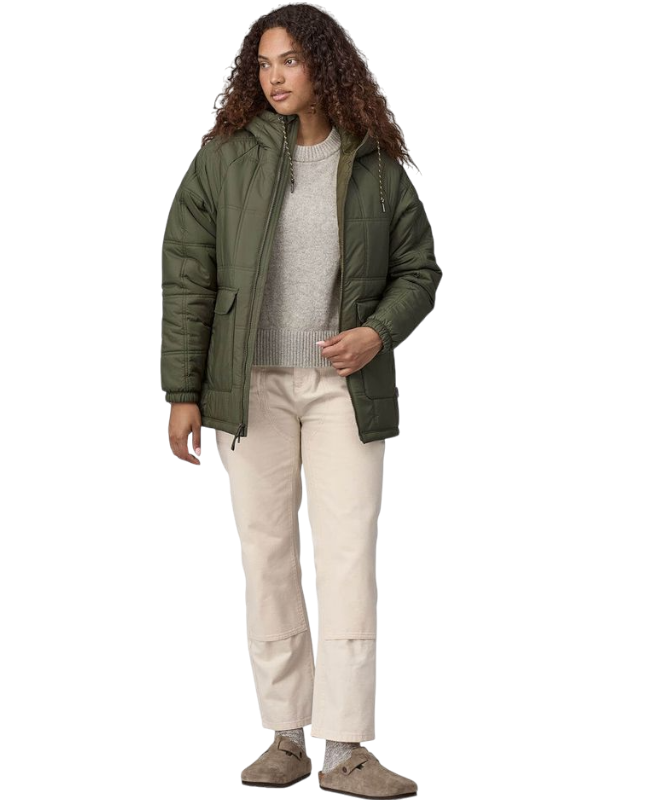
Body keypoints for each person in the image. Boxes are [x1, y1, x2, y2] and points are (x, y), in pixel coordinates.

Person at [162, 3, 439, 795]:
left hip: (346, 389)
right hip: (249, 388)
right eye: (263, 64)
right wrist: (183, 391)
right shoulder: (223, 159)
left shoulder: (376, 164)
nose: (274, 77)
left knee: (348, 554)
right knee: (267, 555)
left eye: (290, 60)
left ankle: (346, 748)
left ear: (327, 64)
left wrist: (377, 333)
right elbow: (188, 274)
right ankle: (285, 735)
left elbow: (419, 270)